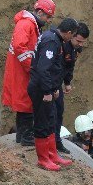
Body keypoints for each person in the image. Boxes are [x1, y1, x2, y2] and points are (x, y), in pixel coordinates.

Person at [2, 0, 56, 147]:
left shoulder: (28, 24)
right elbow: (21, 47)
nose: (48, 20)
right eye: (48, 16)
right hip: (22, 71)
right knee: (26, 101)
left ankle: (22, 135)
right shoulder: (26, 24)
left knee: (24, 100)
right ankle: (26, 137)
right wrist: (32, 67)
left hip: (21, 70)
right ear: (40, 12)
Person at [27, 18, 79, 171]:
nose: (72, 39)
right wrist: (48, 91)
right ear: (68, 33)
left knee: (51, 120)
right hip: (40, 89)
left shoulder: (54, 38)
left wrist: (55, 87)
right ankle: (43, 159)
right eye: (73, 35)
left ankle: (52, 154)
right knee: (42, 122)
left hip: (48, 87)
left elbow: (54, 69)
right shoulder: (52, 41)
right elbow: (44, 69)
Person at [55, 23, 90, 154]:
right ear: (71, 35)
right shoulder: (61, 46)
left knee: (59, 111)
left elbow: (70, 66)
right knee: (51, 112)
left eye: (83, 42)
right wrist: (53, 86)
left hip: (59, 81)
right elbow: (55, 67)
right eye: (79, 41)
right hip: (51, 82)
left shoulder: (76, 49)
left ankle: (56, 141)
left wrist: (67, 82)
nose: (80, 44)